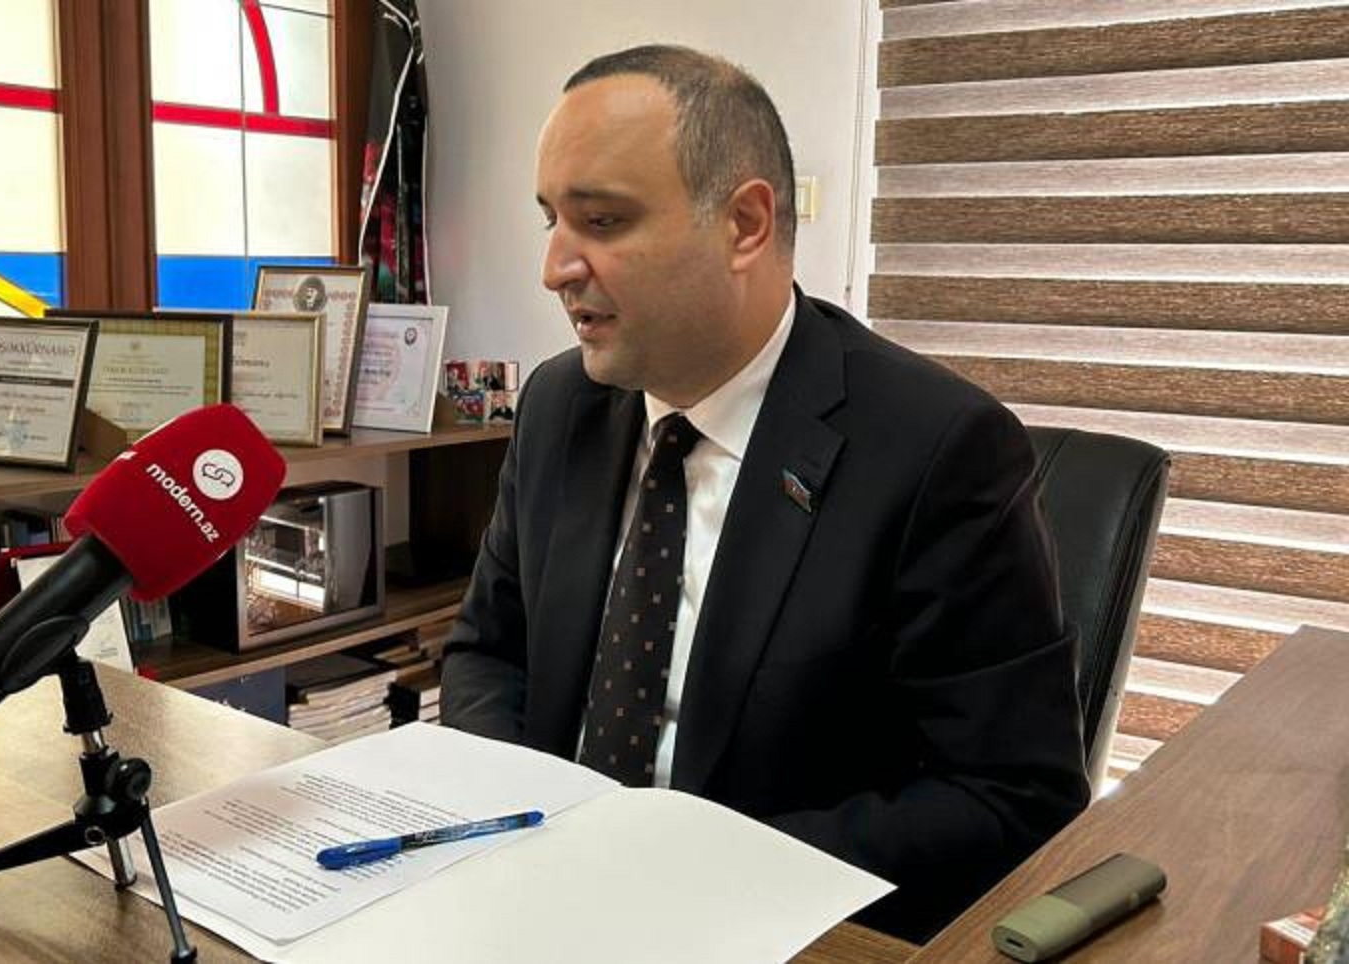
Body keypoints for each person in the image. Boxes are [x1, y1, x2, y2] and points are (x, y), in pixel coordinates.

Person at [440, 44, 1089, 941]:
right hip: (538, 905)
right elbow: (488, 651)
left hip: (765, 929)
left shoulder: (942, 450)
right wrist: (520, 821)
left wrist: (696, 874)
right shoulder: (558, 405)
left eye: (602, 221)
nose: (554, 267)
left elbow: (1012, 800)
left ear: (745, 223)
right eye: (551, 220)